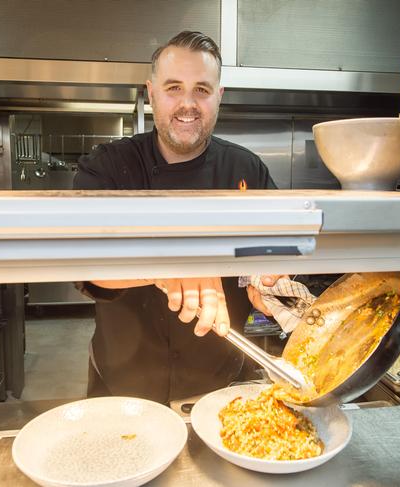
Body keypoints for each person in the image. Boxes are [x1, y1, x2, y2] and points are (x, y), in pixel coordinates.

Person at [73, 31, 279, 404]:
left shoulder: (248, 169)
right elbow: (83, 261)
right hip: (121, 383)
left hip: (221, 380)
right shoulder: (106, 165)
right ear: (151, 93)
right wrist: (172, 264)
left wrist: (265, 281)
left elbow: (276, 248)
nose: (188, 104)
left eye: (201, 89)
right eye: (173, 88)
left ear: (219, 96)